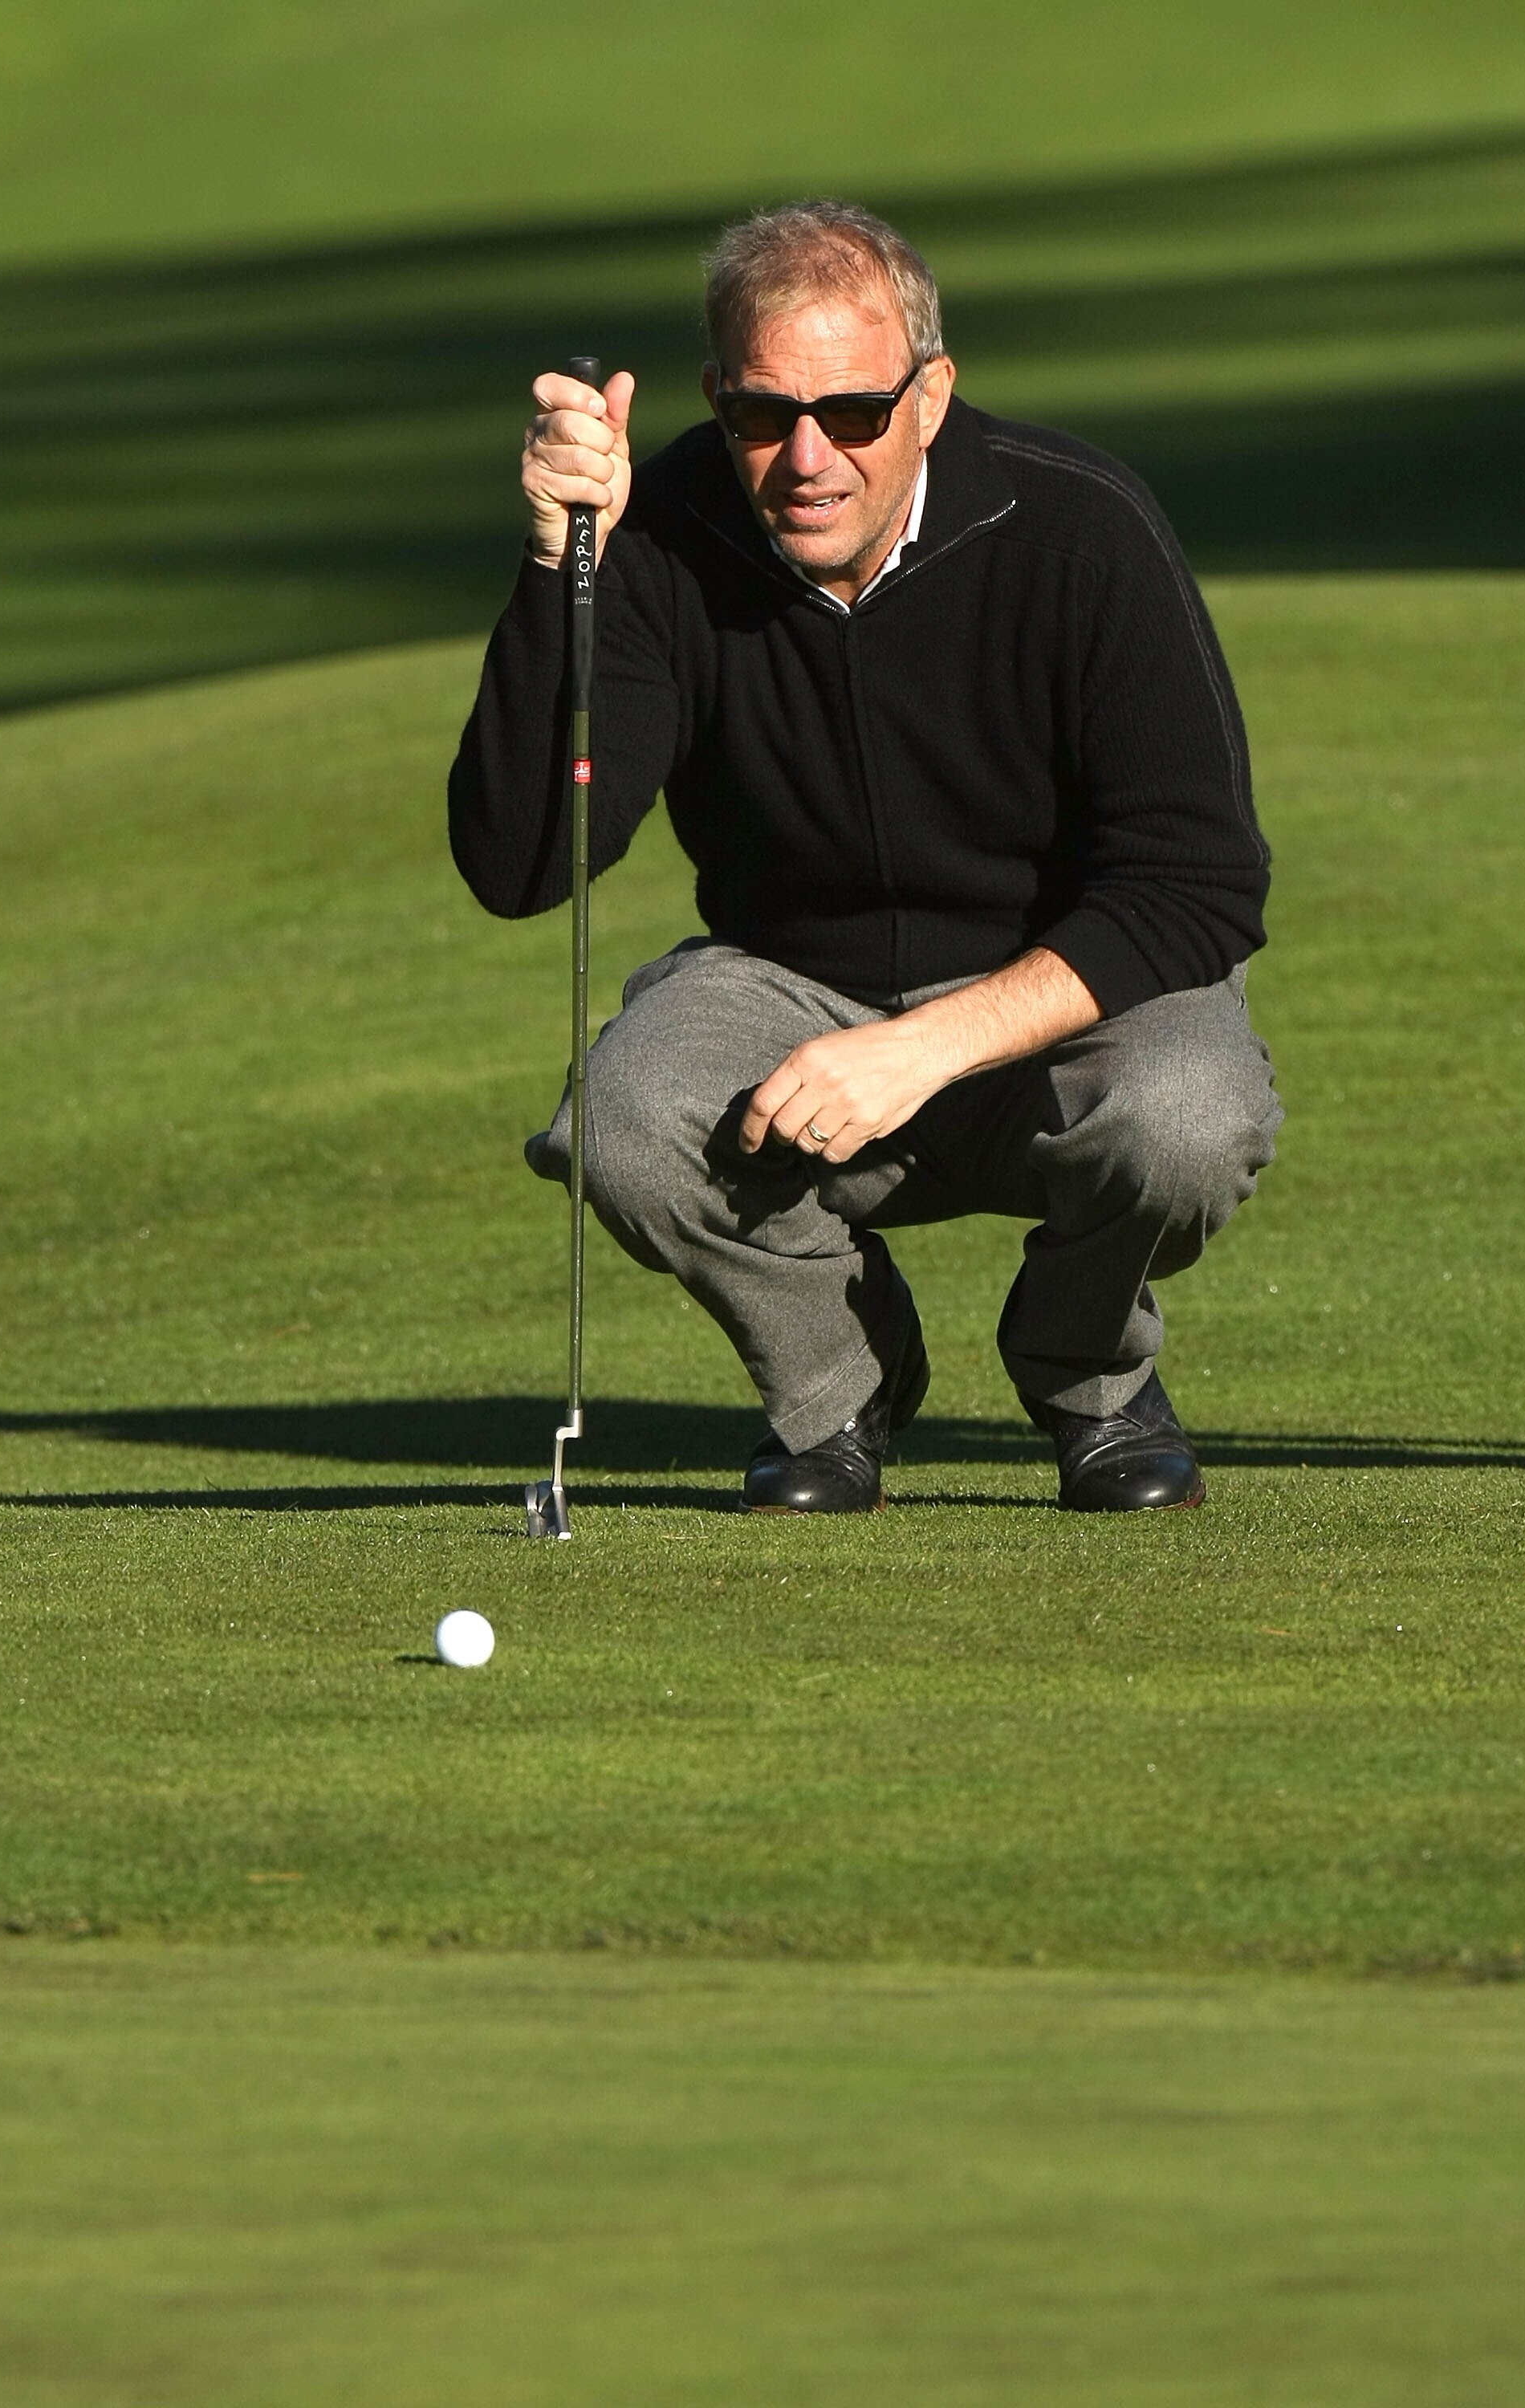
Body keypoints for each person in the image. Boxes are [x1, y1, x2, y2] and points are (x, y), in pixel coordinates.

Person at [449, 201, 1281, 1514]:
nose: (805, 457)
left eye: (852, 412)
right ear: (718, 400)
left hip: (1056, 1011)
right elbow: (521, 862)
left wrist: (923, 1048)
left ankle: (1088, 1378)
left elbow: (1200, 885)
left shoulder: (1080, 529)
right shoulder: (662, 532)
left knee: (1189, 1118)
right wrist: (564, 568)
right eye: (761, 416)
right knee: (621, 1120)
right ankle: (841, 1388)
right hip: (789, 989)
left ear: (931, 396)